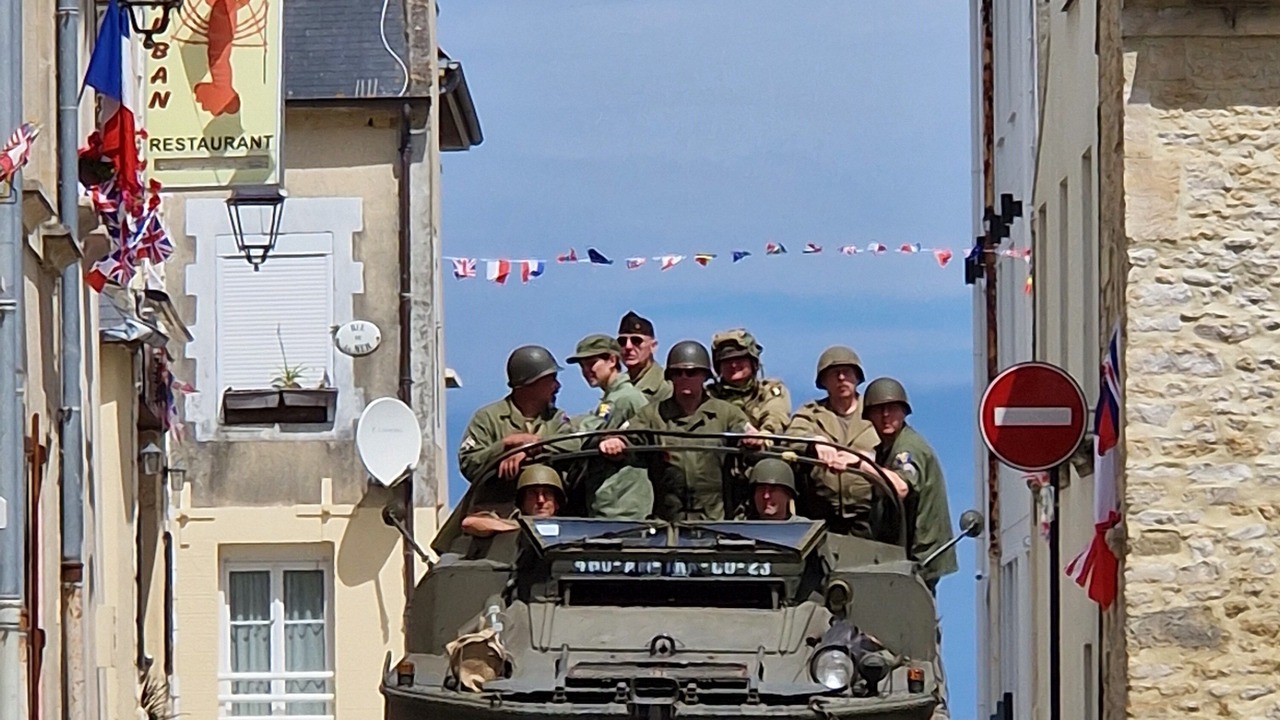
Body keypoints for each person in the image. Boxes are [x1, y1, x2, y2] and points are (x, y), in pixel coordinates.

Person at [600, 340, 763, 521]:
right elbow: (628, 435)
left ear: (704, 376)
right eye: (678, 373)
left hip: (716, 521)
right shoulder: (653, 414)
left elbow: (747, 433)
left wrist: (752, 440)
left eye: (692, 372)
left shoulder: (726, 413)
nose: (685, 377)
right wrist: (616, 442)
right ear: (670, 377)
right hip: (667, 523)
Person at [785, 346, 908, 537]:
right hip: (821, 518)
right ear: (823, 381)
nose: (841, 378)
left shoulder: (874, 413)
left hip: (869, 518)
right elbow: (791, 437)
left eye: (847, 372)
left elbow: (898, 444)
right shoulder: (812, 413)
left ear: (857, 377)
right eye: (834, 374)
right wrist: (815, 441)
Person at [863, 377, 957, 588]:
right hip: (904, 556)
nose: (885, 415)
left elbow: (901, 487)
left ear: (904, 411)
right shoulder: (886, 450)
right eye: (878, 410)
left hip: (920, 557)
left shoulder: (909, 448)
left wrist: (861, 465)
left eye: (892, 408)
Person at [457, 345, 579, 505]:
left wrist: (529, 448)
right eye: (550, 380)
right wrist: (505, 446)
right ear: (529, 383)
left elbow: (574, 445)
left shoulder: (556, 419)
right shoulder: (488, 417)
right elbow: (469, 464)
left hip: (546, 512)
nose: (557, 386)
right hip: (500, 512)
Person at [567, 333, 653, 518]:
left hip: (622, 505)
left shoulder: (622, 399)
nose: (586, 370)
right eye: (582, 366)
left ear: (612, 360)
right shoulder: (614, 397)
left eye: (591, 363)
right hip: (615, 501)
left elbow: (584, 434)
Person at [707, 328, 792, 434]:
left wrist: (764, 436)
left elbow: (776, 415)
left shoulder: (768, 391)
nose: (733, 365)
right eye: (727, 361)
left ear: (753, 362)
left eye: (739, 359)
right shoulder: (707, 396)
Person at [461, 465, 565, 538]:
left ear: (556, 503)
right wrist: (522, 530)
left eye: (547, 494)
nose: (540, 500)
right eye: (533, 494)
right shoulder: (514, 522)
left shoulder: (570, 531)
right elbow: (469, 523)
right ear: (522, 502)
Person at [616, 310, 672, 402]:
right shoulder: (617, 386)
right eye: (622, 341)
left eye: (636, 341)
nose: (628, 346)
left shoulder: (666, 386)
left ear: (653, 346)